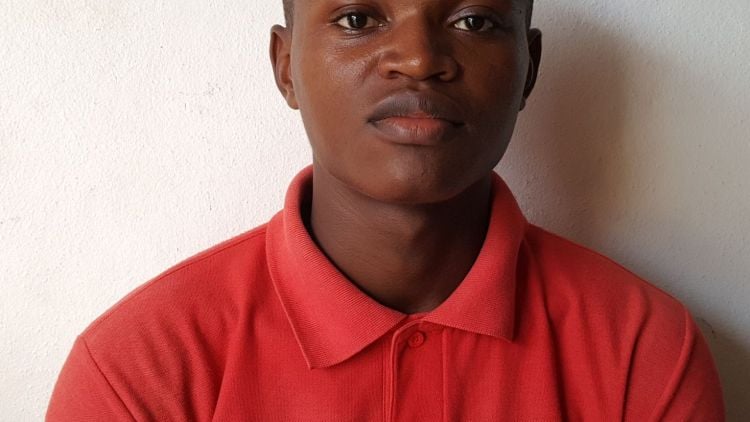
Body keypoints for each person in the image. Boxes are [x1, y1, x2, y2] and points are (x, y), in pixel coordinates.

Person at [47, 0, 725, 420]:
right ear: (286, 66)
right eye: (357, 18)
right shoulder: (141, 369)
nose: (420, 59)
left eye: (474, 20)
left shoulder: (643, 351)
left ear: (530, 68)